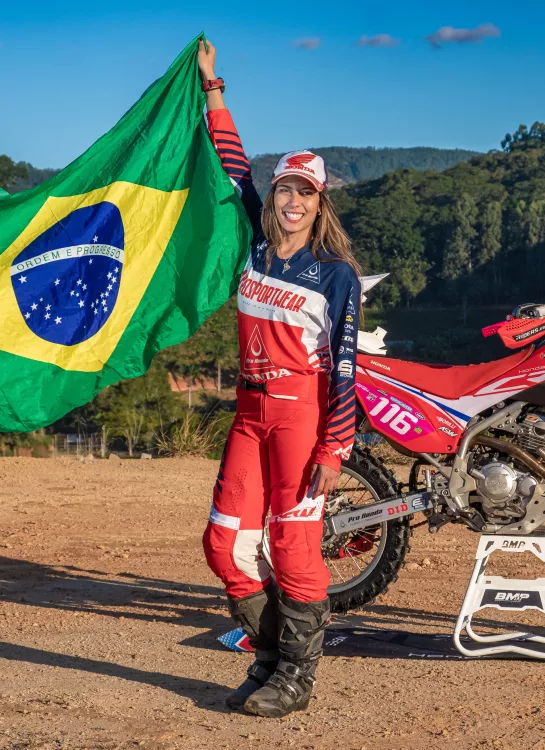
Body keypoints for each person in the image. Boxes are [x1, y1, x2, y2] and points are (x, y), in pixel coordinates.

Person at [197, 39, 361, 718]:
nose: (293, 200)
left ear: (320, 205)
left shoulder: (336, 275)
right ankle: (268, 659)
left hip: (302, 415)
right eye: (286, 188)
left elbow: (346, 366)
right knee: (224, 544)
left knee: (293, 547)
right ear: (274, 196)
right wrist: (213, 87)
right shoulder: (254, 246)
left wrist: (335, 448)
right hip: (248, 413)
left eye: (306, 193)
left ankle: (295, 678)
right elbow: (232, 163)